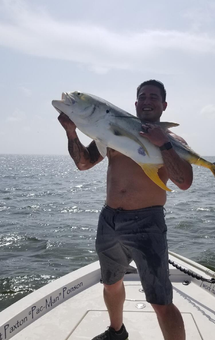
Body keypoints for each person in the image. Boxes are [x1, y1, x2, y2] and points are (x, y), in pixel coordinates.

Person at [58, 80, 193, 340]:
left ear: (164, 105)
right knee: (110, 283)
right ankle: (117, 331)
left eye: (154, 97)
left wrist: (163, 144)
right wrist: (71, 131)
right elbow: (84, 164)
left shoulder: (173, 140)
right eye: (142, 96)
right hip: (110, 220)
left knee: (160, 300)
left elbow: (184, 182)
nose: (147, 100)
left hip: (147, 223)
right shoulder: (112, 132)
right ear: (136, 103)